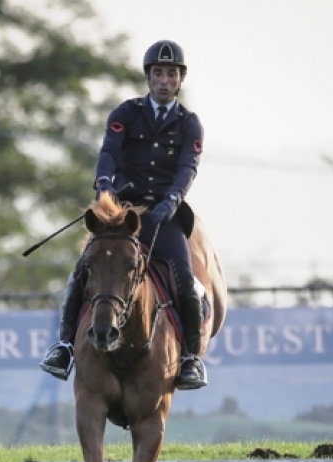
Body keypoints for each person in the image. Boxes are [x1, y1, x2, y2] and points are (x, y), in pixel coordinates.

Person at [41, 39, 208, 389]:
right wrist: (104, 185)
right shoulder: (125, 114)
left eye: (172, 75)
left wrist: (174, 199)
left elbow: (187, 168)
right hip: (124, 213)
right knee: (82, 270)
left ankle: (191, 357)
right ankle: (64, 346)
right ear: (148, 77)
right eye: (159, 73)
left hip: (165, 216)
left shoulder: (190, 123)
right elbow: (109, 153)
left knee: (184, 278)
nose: (165, 80)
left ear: (180, 80)